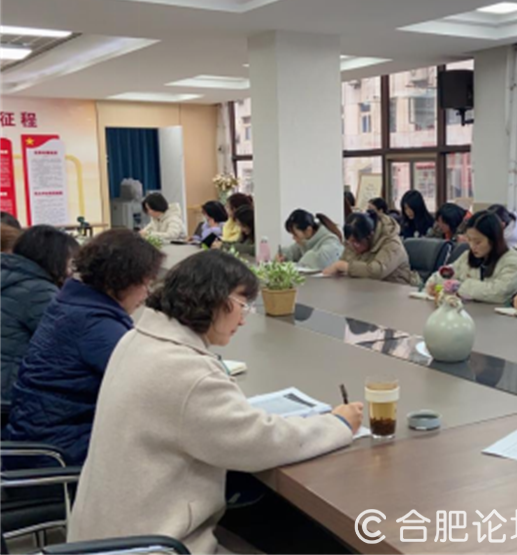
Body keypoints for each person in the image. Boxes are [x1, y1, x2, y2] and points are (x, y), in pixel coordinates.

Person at [67, 251, 363, 554]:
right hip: (151, 544)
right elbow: (260, 442)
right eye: (242, 305)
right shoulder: (188, 373)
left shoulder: (136, 338)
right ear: (214, 298)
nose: (244, 319)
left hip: (104, 536)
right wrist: (338, 424)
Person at [5, 230, 164, 465]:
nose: (147, 294)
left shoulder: (72, 304)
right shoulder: (94, 324)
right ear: (122, 280)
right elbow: (152, 384)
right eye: (145, 283)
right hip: (62, 451)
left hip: (41, 436)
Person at [1, 226, 79, 397]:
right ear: (54, 259)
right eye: (69, 263)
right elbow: (65, 342)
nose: (70, 272)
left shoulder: (9, 276)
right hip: (11, 391)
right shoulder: (39, 291)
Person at [424, 211, 517, 304]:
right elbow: (446, 274)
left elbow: (499, 293)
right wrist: (434, 285)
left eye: (478, 242)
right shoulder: (468, 256)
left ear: (494, 239)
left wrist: (458, 287)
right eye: (469, 240)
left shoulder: (513, 260)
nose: (472, 246)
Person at [323, 211, 419, 286]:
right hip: (365, 291)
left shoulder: (392, 243)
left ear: (370, 235)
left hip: (395, 292)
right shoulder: (354, 241)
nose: (352, 246)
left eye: (356, 242)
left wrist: (344, 267)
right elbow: (345, 260)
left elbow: (377, 271)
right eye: (349, 242)